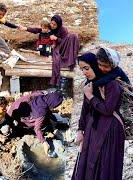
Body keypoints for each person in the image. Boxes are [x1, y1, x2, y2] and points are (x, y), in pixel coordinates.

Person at [72, 52, 125, 180]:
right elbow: (85, 110)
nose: (84, 72)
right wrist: (80, 130)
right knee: (88, 162)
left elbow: (107, 109)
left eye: (86, 68)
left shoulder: (112, 84)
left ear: (95, 66)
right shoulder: (89, 85)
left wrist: (90, 96)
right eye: (82, 69)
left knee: (104, 164)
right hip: (93, 129)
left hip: (109, 130)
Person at [24, 15, 80, 88]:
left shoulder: (63, 30)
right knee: (55, 56)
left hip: (61, 46)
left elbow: (63, 41)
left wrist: (56, 38)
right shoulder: (50, 27)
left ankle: (68, 60)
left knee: (73, 36)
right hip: (53, 45)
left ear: (58, 25)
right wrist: (26, 28)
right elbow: (38, 30)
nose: (52, 26)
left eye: (54, 25)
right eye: (51, 23)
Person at [7, 91, 63, 157]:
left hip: (15, 108)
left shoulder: (40, 94)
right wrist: (44, 142)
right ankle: (24, 129)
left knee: (47, 116)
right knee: (43, 126)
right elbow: (37, 129)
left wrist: (55, 121)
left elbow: (47, 110)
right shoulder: (41, 112)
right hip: (17, 116)